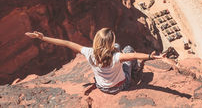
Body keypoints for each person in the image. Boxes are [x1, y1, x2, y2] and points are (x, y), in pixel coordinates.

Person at [25, 28, 165, 94]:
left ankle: (129, 70)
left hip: (102, 87)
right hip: (121, 86)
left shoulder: (88, 52)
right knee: (128, 49)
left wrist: (42, 38)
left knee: (117, 48)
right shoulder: (117, 57)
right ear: (109, 42)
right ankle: (135, 72)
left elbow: (66, 43)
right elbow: (134, 56)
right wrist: (152, 57)